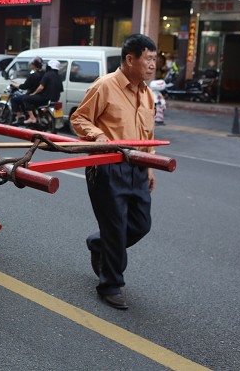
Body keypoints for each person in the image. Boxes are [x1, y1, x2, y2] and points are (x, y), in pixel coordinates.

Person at [70, 34, 158, 310]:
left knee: (141, 225)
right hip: (107, 167)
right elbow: (78, 118)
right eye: (149, 59)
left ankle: (99, 244)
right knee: (116, 226)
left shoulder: (147, 93)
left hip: (138, 167)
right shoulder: (105, 86)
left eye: (156, 60)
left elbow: (149, 133)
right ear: (130, 59)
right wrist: (96, 135)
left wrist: (151, 163)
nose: (153, 65)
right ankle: (110, 285)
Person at [23, 59, 63, 125]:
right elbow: (61, 90)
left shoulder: (47, 75)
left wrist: (33, 93)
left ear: (49, 66)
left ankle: (32, 118)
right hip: (55, 99)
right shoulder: (59, 77)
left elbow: (41, 87)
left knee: (26, 99)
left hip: (45, 98)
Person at [9, 56, 44, 125]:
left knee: (14, 99)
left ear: (34, 65)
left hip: (32, 95)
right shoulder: (44, 74)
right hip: (41, 95)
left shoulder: (33, 75)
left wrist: (15, 85)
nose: (31, 65)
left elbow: (24, 86)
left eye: (32, 64)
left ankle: (20, 118)